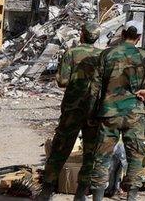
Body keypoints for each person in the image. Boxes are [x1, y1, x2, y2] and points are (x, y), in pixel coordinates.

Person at [88, 24, 145, 201]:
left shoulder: (107, 54)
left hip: (109, 113)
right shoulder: (144, 55)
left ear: (122, 34)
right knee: (135, 155)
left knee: (102, 156)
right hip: (134, 113)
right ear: (138, 37)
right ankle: (131, 197)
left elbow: (94, 87)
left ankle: (97, 197)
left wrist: (92, 112)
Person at [39, 21, 102, 201]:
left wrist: (77, 80)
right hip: (93, 110)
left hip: (72, 108)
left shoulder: (71, 53)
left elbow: (62, 81)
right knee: (91, 151)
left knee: (60, 148)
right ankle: (81, 192)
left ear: (82, 35)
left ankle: (47, 190)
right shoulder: (103, 55)